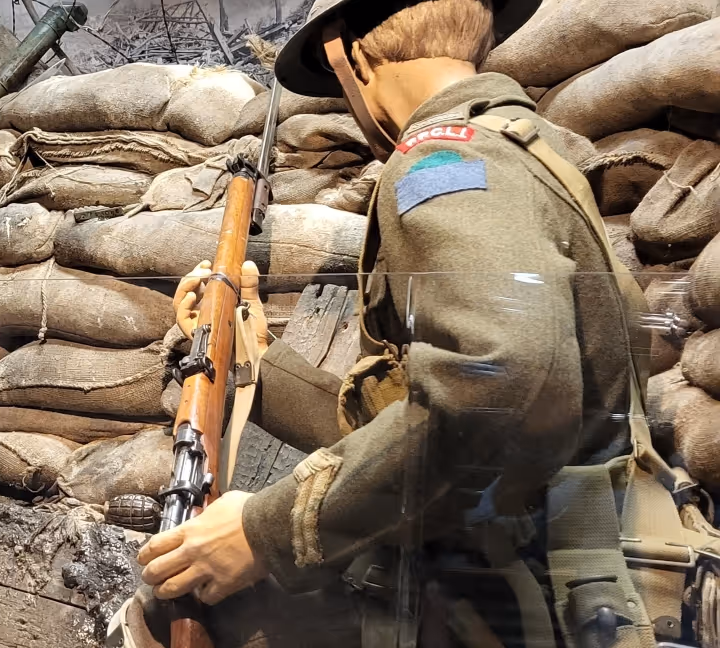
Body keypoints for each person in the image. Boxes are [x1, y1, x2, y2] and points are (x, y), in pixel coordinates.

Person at [130, 0, 687, 646]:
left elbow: (498, 379)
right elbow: (425, 423)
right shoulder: (524, 154)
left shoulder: (439, 163)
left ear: (352, 57)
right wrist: (254, 352)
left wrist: (267, 531)